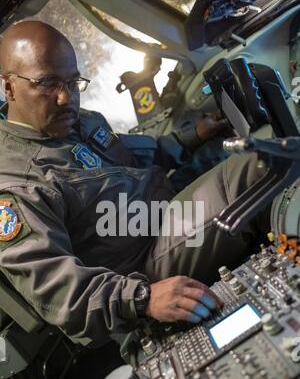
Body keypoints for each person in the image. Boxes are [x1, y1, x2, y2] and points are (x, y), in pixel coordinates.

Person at [0, 20, 269, 349]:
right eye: (47, 83)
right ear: (9, 87)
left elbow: (136, 156)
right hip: (144, 263)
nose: (64, 98)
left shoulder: (75, 121)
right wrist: (143, 297)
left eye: (73, 82)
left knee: (238, 147)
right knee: (259, 169)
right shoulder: (15, 182)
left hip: (160, 209)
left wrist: (194, 135)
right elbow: (56, 290)